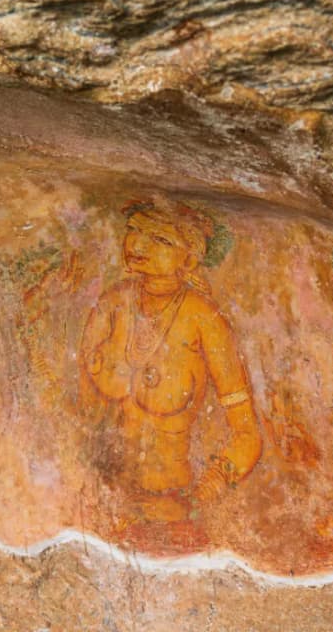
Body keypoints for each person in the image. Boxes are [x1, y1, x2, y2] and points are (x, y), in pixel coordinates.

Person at [79, 198, 261, 538]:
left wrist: (211, 485)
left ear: (189, 257)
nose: (138, 245)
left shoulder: (203, 319)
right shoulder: (111, 305)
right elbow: (78, 412)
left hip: (170, 509)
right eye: (134, 231)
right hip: (100, 502)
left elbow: (247, 435)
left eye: (160, 239)